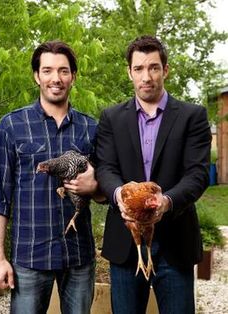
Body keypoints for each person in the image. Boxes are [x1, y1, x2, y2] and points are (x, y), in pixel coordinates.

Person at [96, 35, 212, 314]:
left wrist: (167, 202)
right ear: (129, 72)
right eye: (139, 69)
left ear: (166, 70)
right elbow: (105, 167)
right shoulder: (111, 118)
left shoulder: (192, 116)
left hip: (175, 241)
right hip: (125, 242)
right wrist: (119, 196)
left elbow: (197, 174)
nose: (146, 76)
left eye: (153, 67)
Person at [0, 40, 99, 314]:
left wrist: (95, 185)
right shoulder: (12, 126)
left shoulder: (91, 128)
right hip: (29, 257)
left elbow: (104, 192)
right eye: (48, 70)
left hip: (78, 256)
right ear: (36, 76)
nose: (56, 78)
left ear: (73, 77)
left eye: (64, 71)